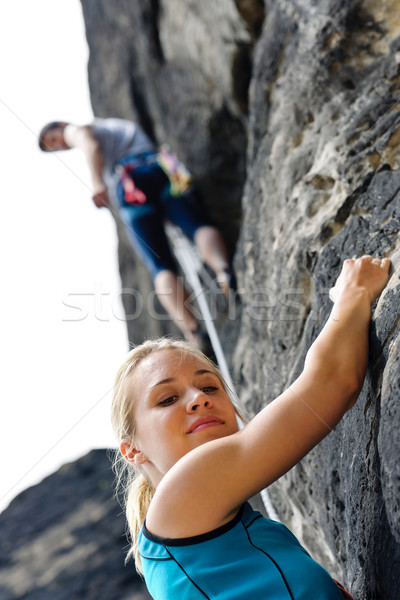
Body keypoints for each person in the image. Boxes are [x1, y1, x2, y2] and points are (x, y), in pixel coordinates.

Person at [111, 254, 391, 599]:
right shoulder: (181, 495)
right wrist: (353, 292)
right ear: (132, 449)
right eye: (167, 399)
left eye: (210, 386)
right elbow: (332, 384)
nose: (198, 398)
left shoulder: (201, 540)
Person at [38, 118, 234, 346]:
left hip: (130, 183)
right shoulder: (115, 126)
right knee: (195, 225)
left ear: (60, 125)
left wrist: (97, 183)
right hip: (160, 169)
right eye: (54, 147)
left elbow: (89, 144)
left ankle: (195, 332)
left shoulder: (74, 130)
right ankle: (224, 272)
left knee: (160, 265)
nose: (59, 144)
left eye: (53, 139)